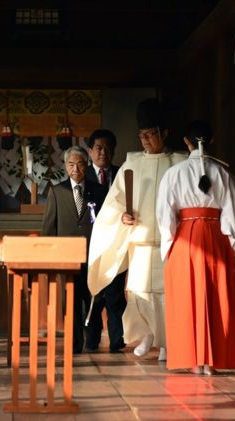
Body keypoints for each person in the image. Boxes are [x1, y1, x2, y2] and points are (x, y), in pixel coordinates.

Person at [87, 99, 187, 361]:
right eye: (141, 135)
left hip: (171, 241)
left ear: (164, 133)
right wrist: (123, 216)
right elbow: (114, 202)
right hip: (141, 242)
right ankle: (148, 336)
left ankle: (169, 341)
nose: (145, 140)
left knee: (168, 292)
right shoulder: (131, 164)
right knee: (140, 292)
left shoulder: (180, 162)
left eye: (150, 134)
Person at [156, 120, 235, 374]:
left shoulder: (174, 173)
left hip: (185, 237)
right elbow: (233, 215)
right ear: (212, 140)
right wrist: (231, 247)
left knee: (187, 296)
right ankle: (213, 361)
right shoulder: (224, 174)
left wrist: (168, 246)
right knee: (216, 297)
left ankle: (194, 360)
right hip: (216, 236)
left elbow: (165, 215)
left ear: (186, 142)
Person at [42, 145, 107, 354]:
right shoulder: (56, 191)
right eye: (71, 164)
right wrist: (50, 257)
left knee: (93, 299)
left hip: (93, 254)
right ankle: (74, 343)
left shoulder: (98, 190)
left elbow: (106, 223)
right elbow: (49, 228)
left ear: (86, 165)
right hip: (66, 257)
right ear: (65, 166)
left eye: (79, 163)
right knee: (69, 301)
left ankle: (93, 340)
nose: (75, 169)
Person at [83, 129, 126, 353]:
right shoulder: (83, 175)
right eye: (98, 147)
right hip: (92, 244)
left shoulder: (122, 174)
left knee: (115, 294)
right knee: (93, 294)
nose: (103, 152)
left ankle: (117, 341)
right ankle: (91, 340)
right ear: (90, 151)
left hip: (117, 243)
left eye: (108, 148)